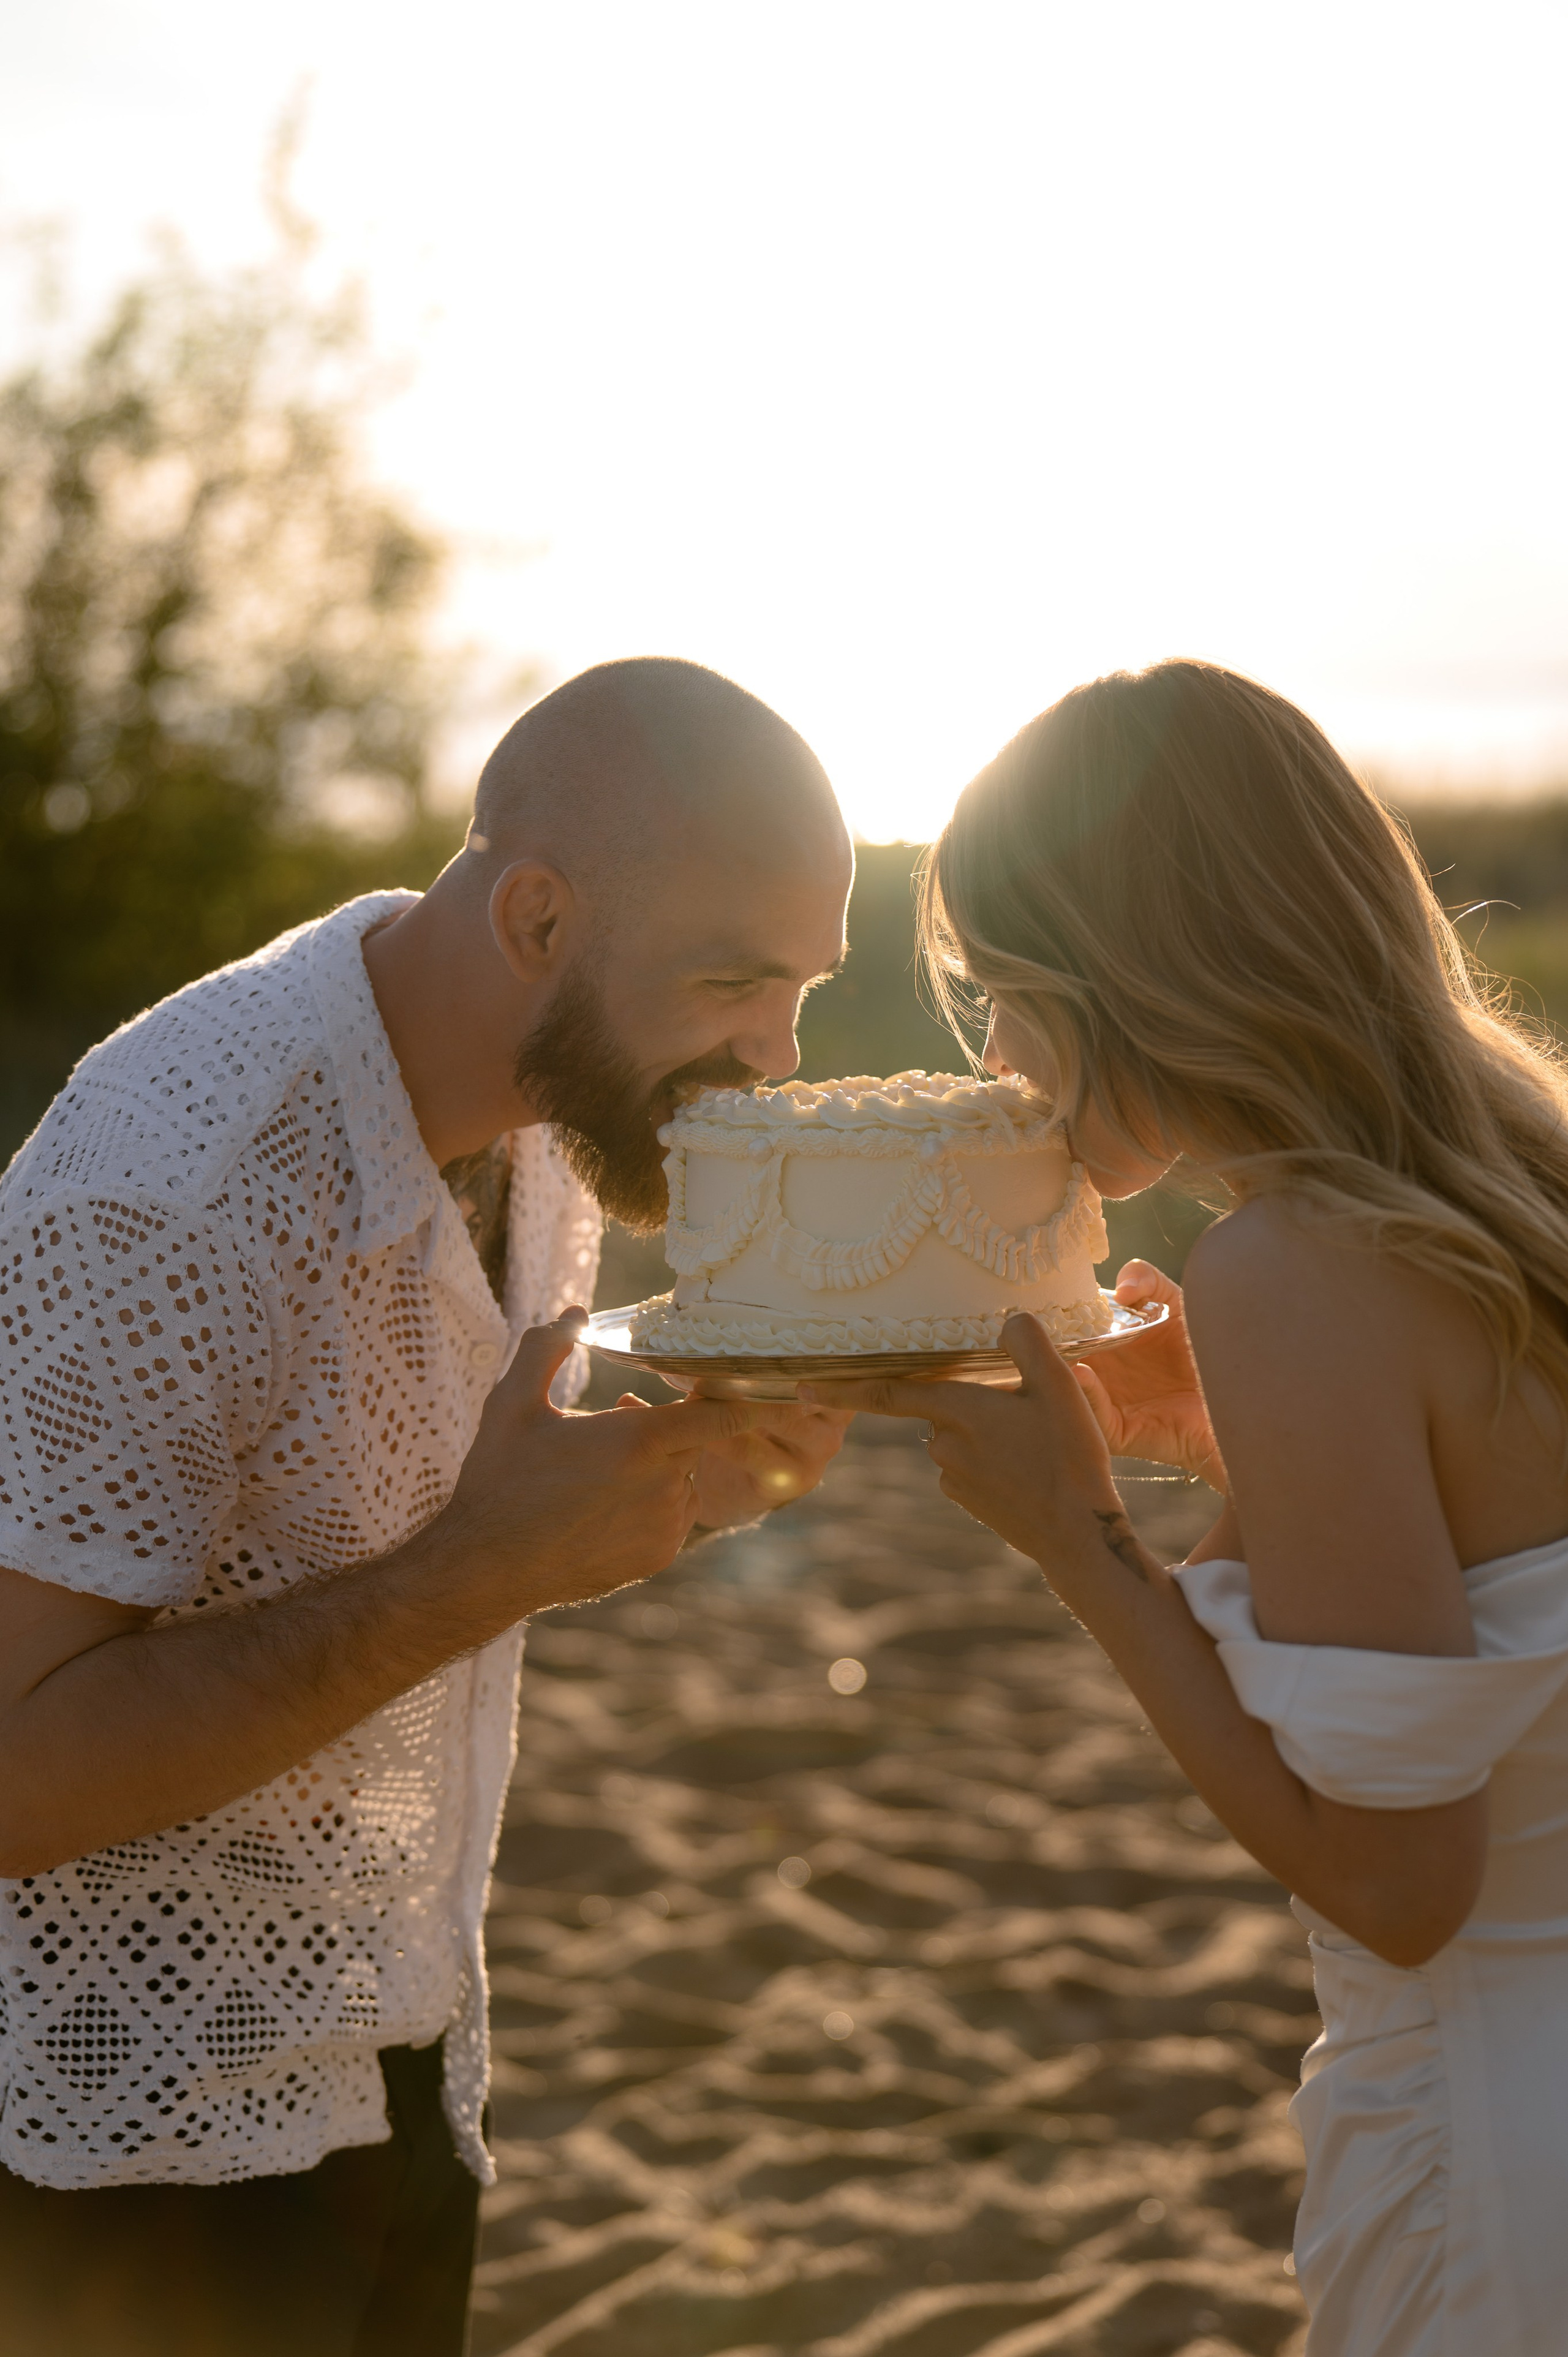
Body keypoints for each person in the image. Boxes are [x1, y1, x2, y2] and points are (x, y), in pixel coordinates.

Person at [0, 657, 854, 2357]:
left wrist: (661, 1487)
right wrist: (480, 1574)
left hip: (404, 2073)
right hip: (125, 2175)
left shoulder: (549, 1112)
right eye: (733, 985)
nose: (774, 1059)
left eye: (805, 994)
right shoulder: (174, 1183)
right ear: (537, 918)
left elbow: (427, 1531)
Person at [807, 659, 1568, 2355]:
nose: (998, 1061)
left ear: (1128, 977)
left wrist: (1080, 1543)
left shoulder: (1290, 1267)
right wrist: (1243, 1455)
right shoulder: (1519, 1178)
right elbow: (1506, 1575)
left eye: (1006, 996)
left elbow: (1401, 1883)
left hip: (1509, 2151)